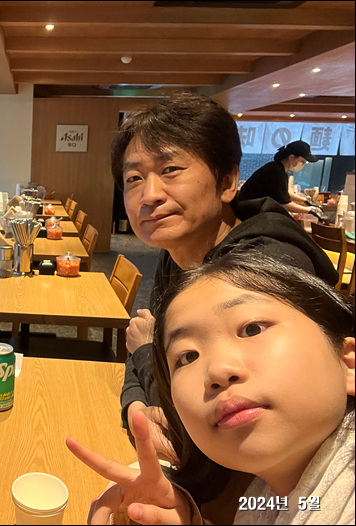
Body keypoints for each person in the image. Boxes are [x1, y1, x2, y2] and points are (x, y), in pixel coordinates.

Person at [110, 92, 338, 466]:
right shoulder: (177, 254)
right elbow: (155, 360)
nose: (149, 195)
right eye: (134, 178)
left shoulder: (264, 268)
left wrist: (145, 353)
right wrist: (136, 406)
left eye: (171, 170)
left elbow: (223, 417)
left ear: (228, 181)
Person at [67, 251, 354, 524]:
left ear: (348, 363)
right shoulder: (267, 498)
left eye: (252, 329)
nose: (217, 370)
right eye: (188, 356)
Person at [237, 140, 326, 220]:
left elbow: (283, 193)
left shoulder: (276, 168)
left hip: (247, 209)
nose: (303, 164)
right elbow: (284, 204)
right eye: (303, 161)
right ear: (291, 157)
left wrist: (305, 201)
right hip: (247, 212)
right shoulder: (276, 172)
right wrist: (310, 210)